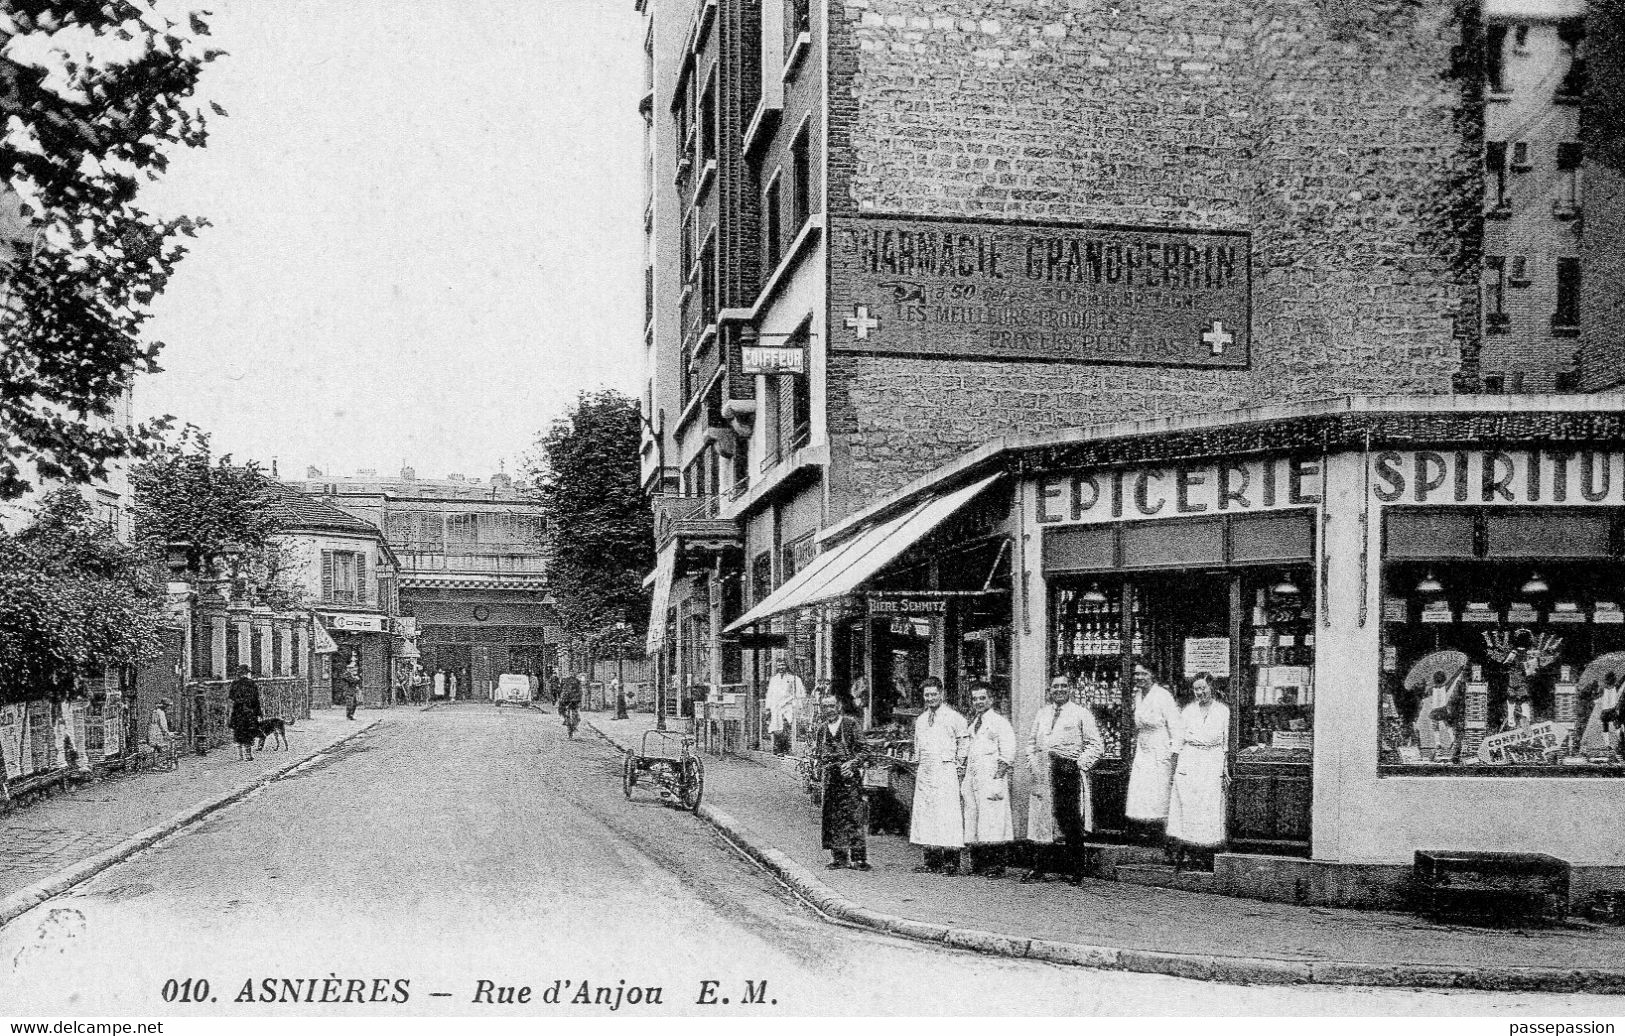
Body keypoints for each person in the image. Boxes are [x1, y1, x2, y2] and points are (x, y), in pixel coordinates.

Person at [1024, 673, 1104, 885]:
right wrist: (1034, 765)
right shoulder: (1042, 714)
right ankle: (1039, 868)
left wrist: (1078, 765)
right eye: (1055, 686)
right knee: (1042, 821)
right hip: (1044, 771)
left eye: (1063, 686)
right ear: (1049, 690)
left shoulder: (1080, 714)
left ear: (1070, 689)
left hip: (1067, 771)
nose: (1059, 690)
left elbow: (1096, 746)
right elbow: (1031, 744)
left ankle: (1076, 871)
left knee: (1070, 821)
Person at [1166, 672, 1231, 871]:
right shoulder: (1187, 712)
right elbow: (1177, 742)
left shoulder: (1222, 711)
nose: (1200, 692)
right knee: (1189, 808)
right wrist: (1173, 770)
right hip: (1190, 761)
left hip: (1212, 761)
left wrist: (1225, 768)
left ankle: (1207, 855)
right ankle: (1189, 855)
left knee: (1209, 808)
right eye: (1196, 689)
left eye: (1203, 688)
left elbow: (1226, 743)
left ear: (1212, 688)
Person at [909, 676, 968, 874]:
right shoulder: (921, 720)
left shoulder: (954, 717)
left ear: (941, 694)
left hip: (945, 771)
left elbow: (964, 743)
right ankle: (931, 860)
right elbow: (918, 746)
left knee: (948, 815)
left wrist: (959, 766)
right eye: (927, 695)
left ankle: (952, 862)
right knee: (926, 814)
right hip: (926, 771)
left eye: (934, 694)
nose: (930, 698)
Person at [959, 681, 1015, 877]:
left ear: (991, 699)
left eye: (982, 698)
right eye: (975, 699)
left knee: (994, 821)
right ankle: (979, 863)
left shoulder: (1000, 723)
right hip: (974, 778)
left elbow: (1008, 754)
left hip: (991, 779)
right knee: (975, 819)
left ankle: (996, 866)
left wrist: (998, 779)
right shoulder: (974, 724)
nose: (978, 702)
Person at [1125, 663, 1182, 856]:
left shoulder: (1163, 696)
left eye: (1144, 674)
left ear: (1153, 675)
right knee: (1144, 795)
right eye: (1136, 674)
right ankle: (1149, 836)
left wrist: (1174, 753)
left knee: (1161, 794)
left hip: (1160, 748)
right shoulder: (1138, 695)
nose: (1139, 677)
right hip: (1143, 749)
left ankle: (1168, 839)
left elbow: (1175, 725)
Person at [813, 692, 871, 871]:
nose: (829, 710)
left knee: (853, 817)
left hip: (848, 779)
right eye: (825, 707)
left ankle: (859, 859)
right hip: (831, 779)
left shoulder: (850, 724)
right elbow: (818, 754)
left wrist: (852, 764)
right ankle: (839, 857)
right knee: (833, 818)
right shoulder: (822, 729)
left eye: (832, 706)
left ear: (838, 706)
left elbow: (864, 749)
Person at [765, 658, 806, 755]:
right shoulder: (774, 679)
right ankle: (777, 749)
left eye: (783, 665)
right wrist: (768, 708)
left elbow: (800, 693)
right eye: (779, 665)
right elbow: (770, 694)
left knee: (785, 727)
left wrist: (793, 702)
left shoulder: (793, 679)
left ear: (786, 666)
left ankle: (785, 749)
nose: (781, 667)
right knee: (776, 727)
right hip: (776, 707)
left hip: (788, 706)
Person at [228, 665, 262, 761]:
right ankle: (248, 755)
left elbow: (231, 697)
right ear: (247, 673)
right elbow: (256, 699)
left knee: (238, 732)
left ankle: (240, 756)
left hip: (238, 711)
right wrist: (258, 712)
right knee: (248, 732)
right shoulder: (251, 683)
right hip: (249, 712)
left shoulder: (234, 683)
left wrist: (239, 702)